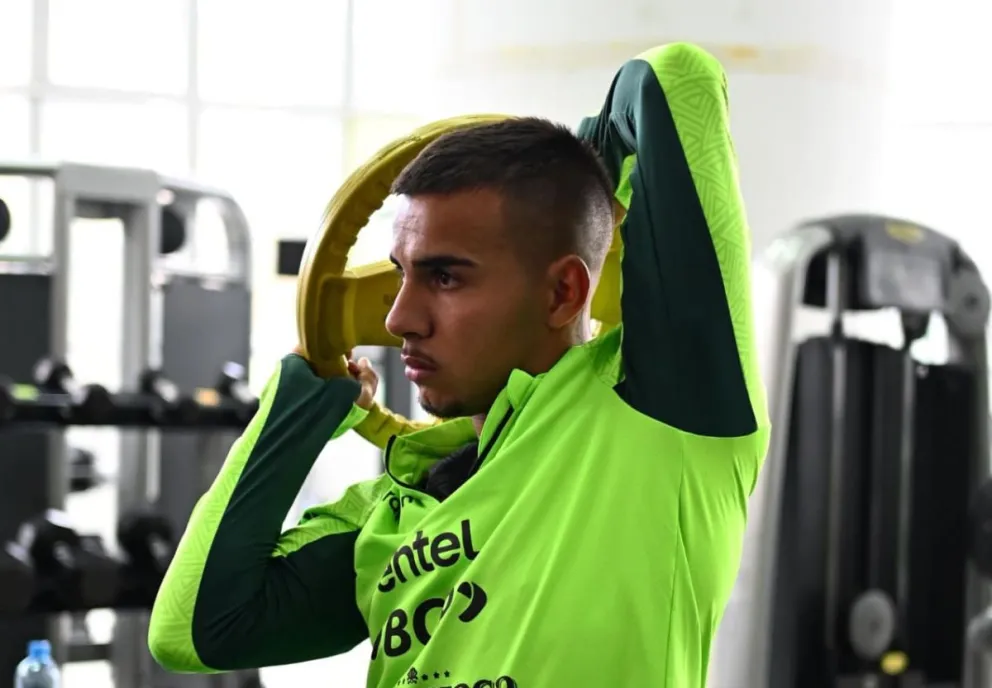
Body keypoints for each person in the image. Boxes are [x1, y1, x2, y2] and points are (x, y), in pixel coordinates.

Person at [148, 42, 769, 688]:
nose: (397, 319)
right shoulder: (394, 505)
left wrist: (590, 164)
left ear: (563, 293)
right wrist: (295, 409)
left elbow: (676, 80)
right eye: (401, 274)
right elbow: (193, 630)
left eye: (444, 277)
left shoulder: (662, 413)